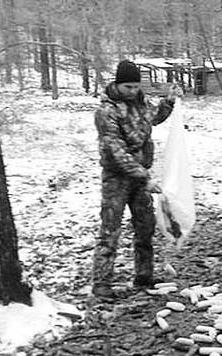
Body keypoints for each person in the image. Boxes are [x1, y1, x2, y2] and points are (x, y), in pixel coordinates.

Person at [90, 59, 181, 299]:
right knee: (110, 230)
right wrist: (145, 177)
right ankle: (101, 284)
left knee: (145, 227)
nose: (133, 91)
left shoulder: (140, 103)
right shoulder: (106, 111)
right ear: (118, 85)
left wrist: (169, 102)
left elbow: (153, 118)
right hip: (116, 179)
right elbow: (116, 150)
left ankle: (144, 276)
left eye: (135, 86)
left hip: (141, 178)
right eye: (128, 87)